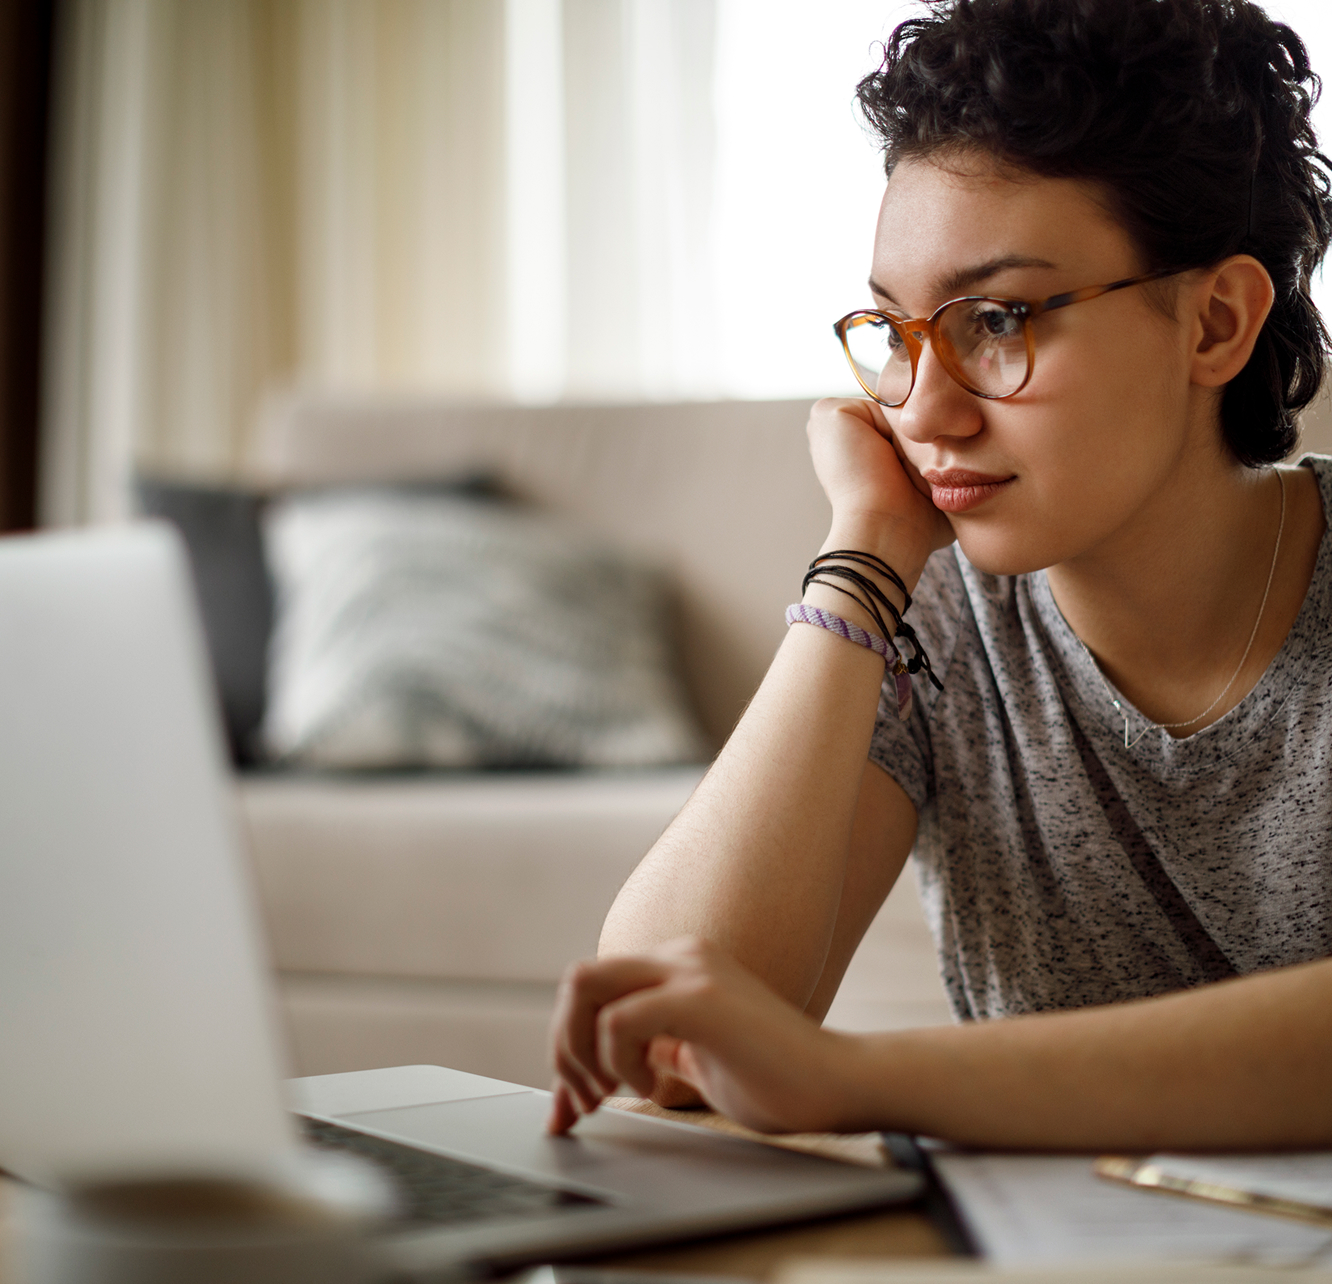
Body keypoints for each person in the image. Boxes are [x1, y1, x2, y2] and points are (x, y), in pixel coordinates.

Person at [548, 0, 1332, 1150]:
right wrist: (862, 553)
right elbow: (661, 1039)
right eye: (896, 331)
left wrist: (857, 1077)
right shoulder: (930, 622)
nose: (925, 406)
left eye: (998, 319)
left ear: (1215, 323)